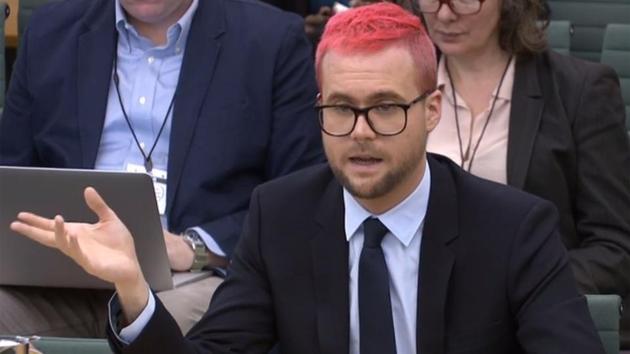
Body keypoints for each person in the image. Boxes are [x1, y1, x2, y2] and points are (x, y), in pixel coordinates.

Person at [12, 3, 605, 353]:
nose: (363, 131)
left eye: (387, 107)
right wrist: (134, 290)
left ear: (431, 109)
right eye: (341, 108)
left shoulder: (514, 229)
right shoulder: (282, 220)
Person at [0, 0, 323, 337]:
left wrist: (197, 249)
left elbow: (298, 195)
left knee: (157, 334)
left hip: (189, 279)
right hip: (62, 273)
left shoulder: (269, 40)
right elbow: (11, 173)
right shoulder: (52, 30)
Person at [419, 0, 630, 345]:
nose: (444, 13)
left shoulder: (580, 90)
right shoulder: (402, 92)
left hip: (526, 325)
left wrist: (517, 284)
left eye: (465, 0)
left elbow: (615, 248)